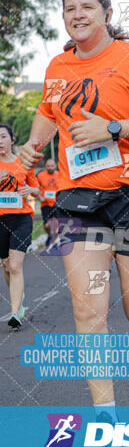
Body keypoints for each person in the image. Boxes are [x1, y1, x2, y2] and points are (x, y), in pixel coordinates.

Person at [19, 0, 129, 447]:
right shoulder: (58, 65)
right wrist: (35, 147)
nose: (77, 14)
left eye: (86, 7)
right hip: (76, 201)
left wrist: (113, 127)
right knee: (87, 311)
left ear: (106, 12)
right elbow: (48, 111)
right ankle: (106, 422)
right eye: (69, 8)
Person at [0, 124, 39, 328]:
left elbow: (37, 191)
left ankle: (15, 311)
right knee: (6, 265)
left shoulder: (24, 163)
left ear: (12, 140)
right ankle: (18, 298)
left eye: (3, 136)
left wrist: (31, 189)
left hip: (22, 219)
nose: (0, 141)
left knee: (15, 266)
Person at [37, 158, 60, 242]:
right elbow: (36, 188)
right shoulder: (40, 175)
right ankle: (50, 235)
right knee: (46, 225)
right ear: (45, 166)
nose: (50, 168)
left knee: (57, 223)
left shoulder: (60, 175)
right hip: (45, 203)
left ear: (55, 166)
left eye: (52, 166)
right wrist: (40, 197)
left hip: (57, 203)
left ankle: (55, 239)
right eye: (48, 166)